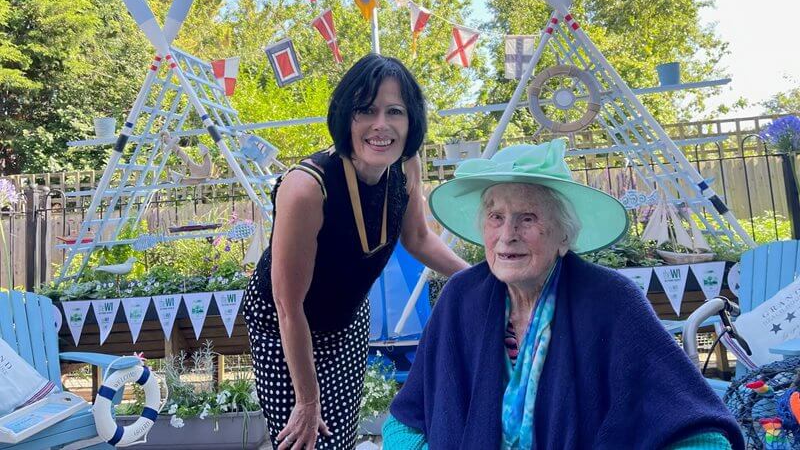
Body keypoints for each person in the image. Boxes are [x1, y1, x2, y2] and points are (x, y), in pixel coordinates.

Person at [384, 139, 744, 450]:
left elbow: (702, 433)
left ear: (563, 236)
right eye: (496, 217)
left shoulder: (612, 301)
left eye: (527, 218)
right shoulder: (461, 298)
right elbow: (404, 422)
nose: (507, 234)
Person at [243, 54, 468, 450]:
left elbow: (417, 238)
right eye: (367, 110)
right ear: (347, 116)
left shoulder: (406, 165)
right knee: (306, 438)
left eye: (394, 111)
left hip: (347, 317)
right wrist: (307, 401)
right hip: (285, 325)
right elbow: (287, 303)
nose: (381, 125)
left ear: (410, 120)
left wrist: (479, 278)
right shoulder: (306, 187)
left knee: (341, 434)